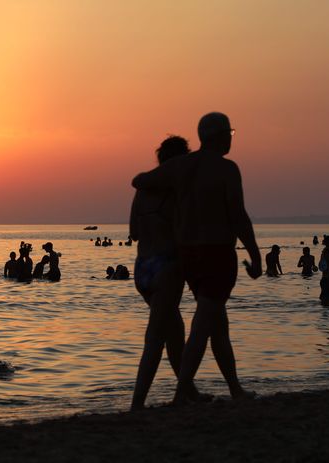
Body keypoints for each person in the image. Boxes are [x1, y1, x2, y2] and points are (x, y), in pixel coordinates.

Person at [132, 112, 261, 403]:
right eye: (230, 133)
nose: (231, 138)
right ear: (217, 136)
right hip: (215, 253)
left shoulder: (181, 166)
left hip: (188, 256)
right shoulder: (226, 169)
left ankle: (234, 388)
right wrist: (255, 254)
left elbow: (139, 180)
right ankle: (182, 391)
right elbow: (238, 215)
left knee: (216, 324)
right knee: (203, 326)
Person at [130, 135, 206, 410]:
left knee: (175, 330)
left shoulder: (141, 191)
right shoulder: (177, 191)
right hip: (167, 268)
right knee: (156, 338)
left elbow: (134, 233)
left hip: (142, 270)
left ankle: (189, 392)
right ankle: (137, 404)